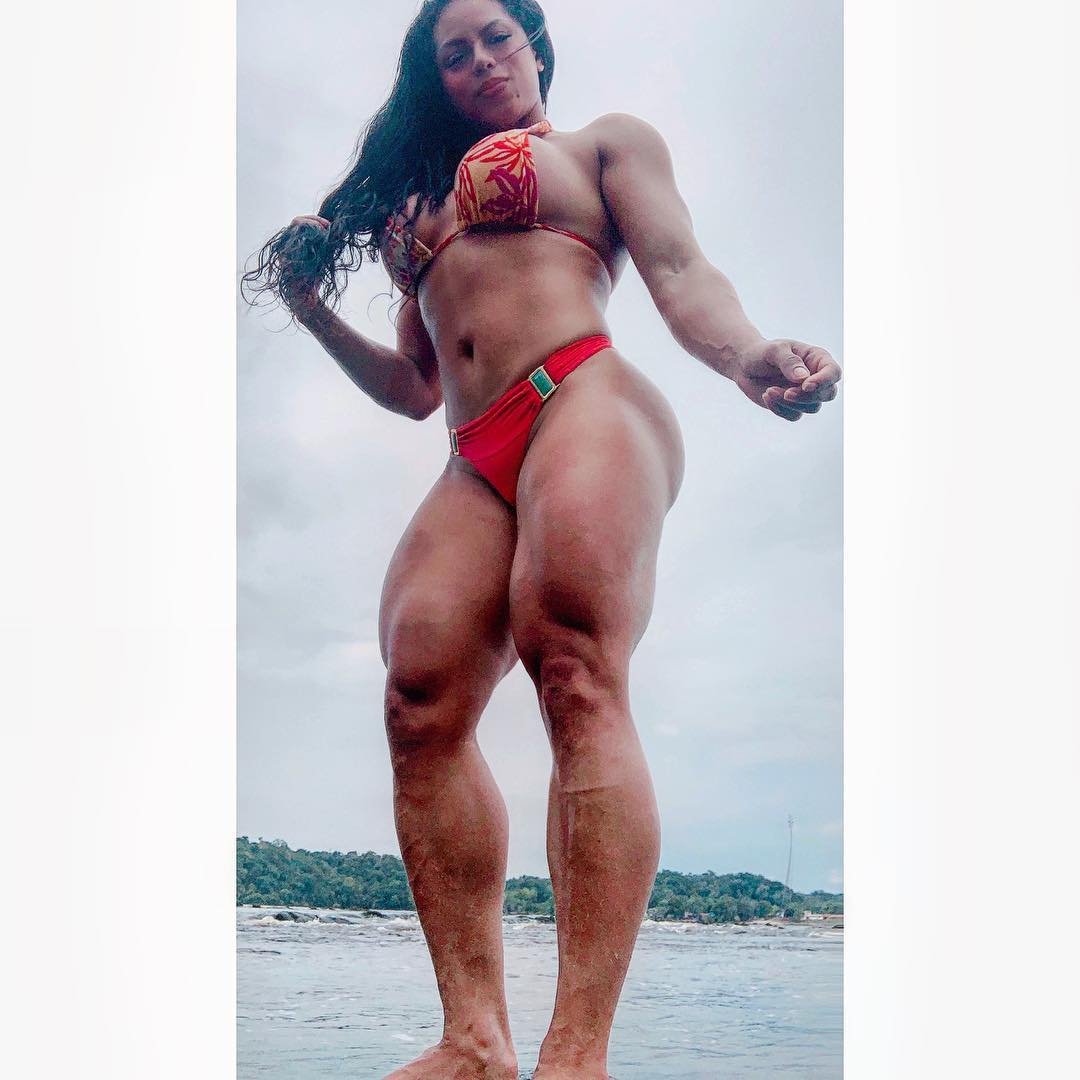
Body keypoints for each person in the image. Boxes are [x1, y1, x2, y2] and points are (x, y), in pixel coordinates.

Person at [242, 1, 840, 1077]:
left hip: (581, 396)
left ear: (535, 48)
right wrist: (312, 307)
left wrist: (747, 353)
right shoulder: (417, 211)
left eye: (497, 38)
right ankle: (474, 1040)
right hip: (472, 452)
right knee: (417, 699)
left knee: (571, 662)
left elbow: (680, 271)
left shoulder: (603, 145)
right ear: (435, 80)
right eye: (453, 53)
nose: (480, 60)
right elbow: (414, 387)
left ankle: (576, 1054)